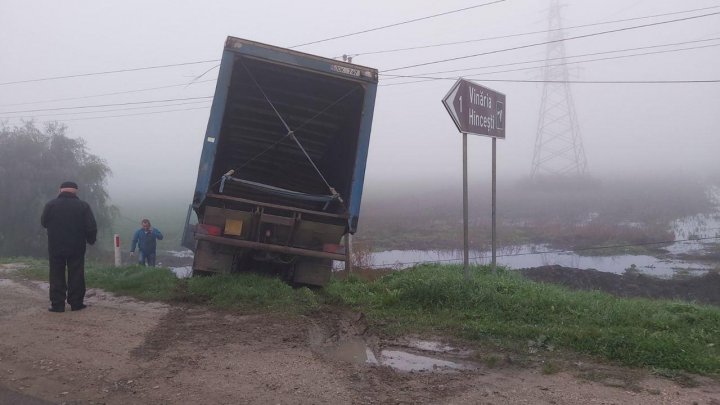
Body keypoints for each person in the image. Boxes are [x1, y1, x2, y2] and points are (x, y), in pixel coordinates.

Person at [41, 181, 97, 313]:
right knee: (76, 273)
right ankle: (76, 303)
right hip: (76, 246)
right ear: (75, 191)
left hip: (55, 245)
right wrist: (91, 240)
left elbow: (43, 222)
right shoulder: (83, 206)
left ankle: (57, 304)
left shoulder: (51, 205)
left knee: (56, 274)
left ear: (60, 190)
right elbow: (91, 226)